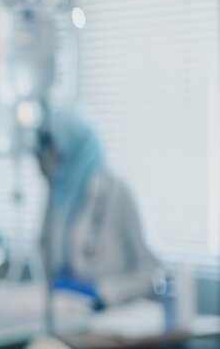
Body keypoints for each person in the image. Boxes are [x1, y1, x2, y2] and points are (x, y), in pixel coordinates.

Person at [36, 112, 160, 309]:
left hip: (119, 317)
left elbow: (152, 273)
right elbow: (45, 253)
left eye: (54, 151)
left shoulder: (118, 192)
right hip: (70, 313)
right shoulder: (57, 197)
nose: (47, 162)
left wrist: (104, 292)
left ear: (73, 146)